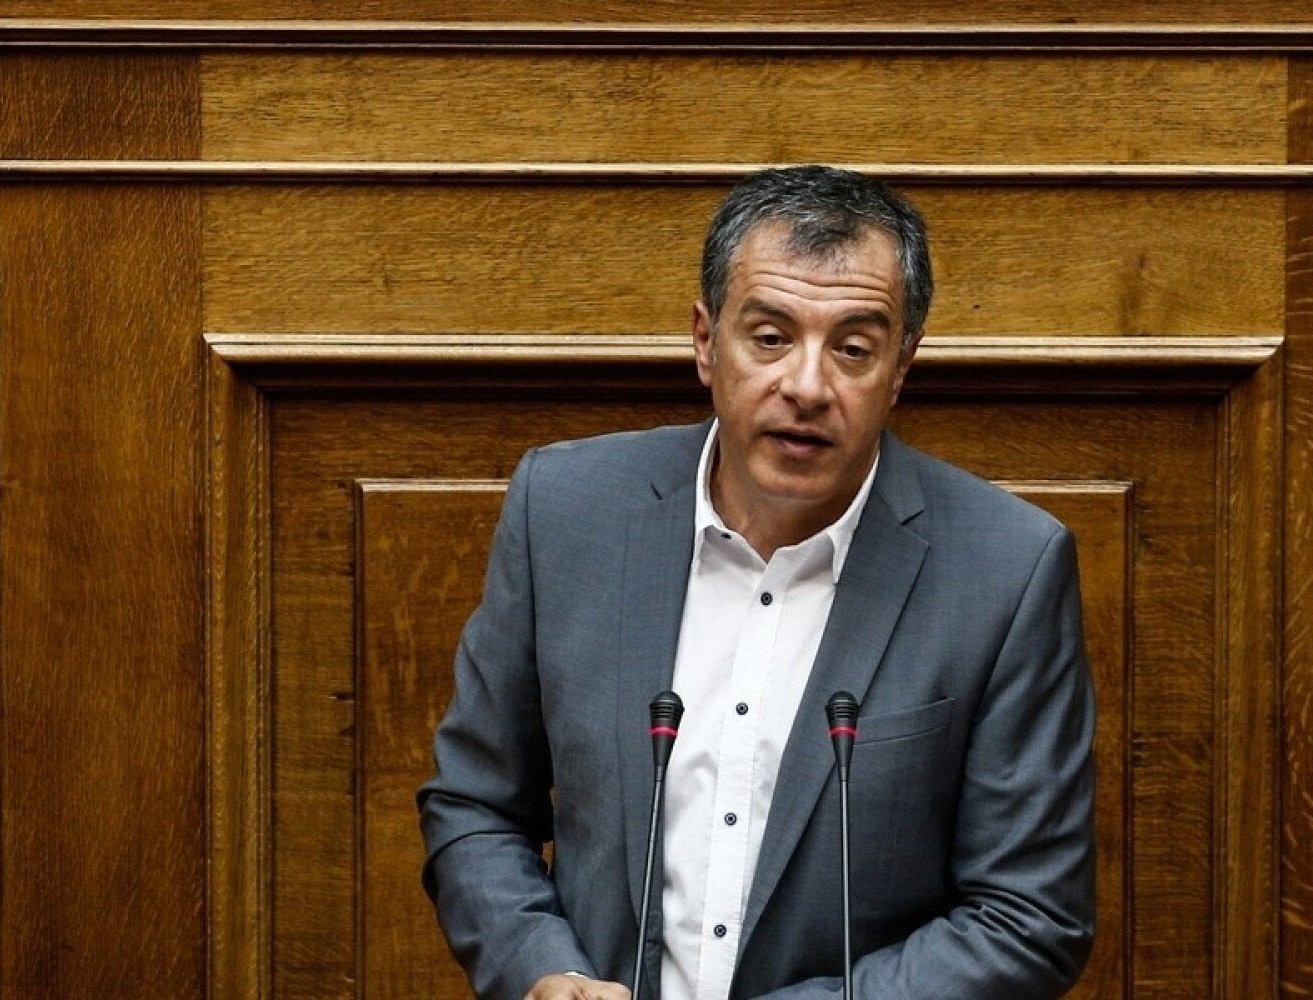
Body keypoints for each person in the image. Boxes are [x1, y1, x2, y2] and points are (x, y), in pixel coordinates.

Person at [417, 165, 1096, 1000]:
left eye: (853, 349)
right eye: (770, 337)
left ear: (901, 367)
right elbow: (476, 804)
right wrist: (543, 970)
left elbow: (1028, 914)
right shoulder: (566, 512)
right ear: (707, 342)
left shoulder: (1006, 570)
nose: (807, 387)